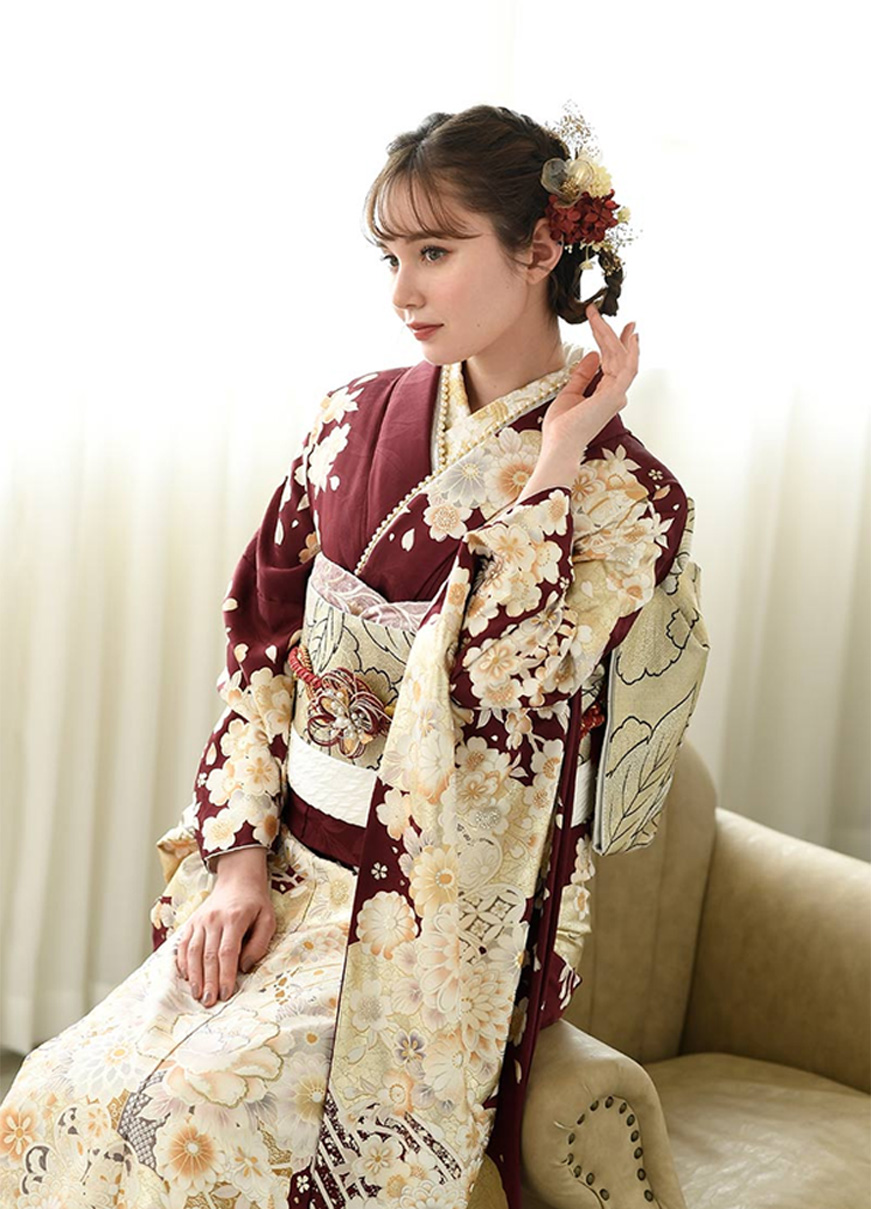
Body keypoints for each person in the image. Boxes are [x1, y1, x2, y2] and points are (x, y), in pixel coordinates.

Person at [0, 104, 709, 1209]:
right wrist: (238, 863)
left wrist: (557, 461)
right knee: (54, 1089)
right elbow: (261, 646)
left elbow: (492, 682)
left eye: (435, 252)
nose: (403, 292)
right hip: (284, 862)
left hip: (429, 911)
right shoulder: (348, 418)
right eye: (391, 257)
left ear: (539, 248)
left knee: (190, 1123)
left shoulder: (627, 497)